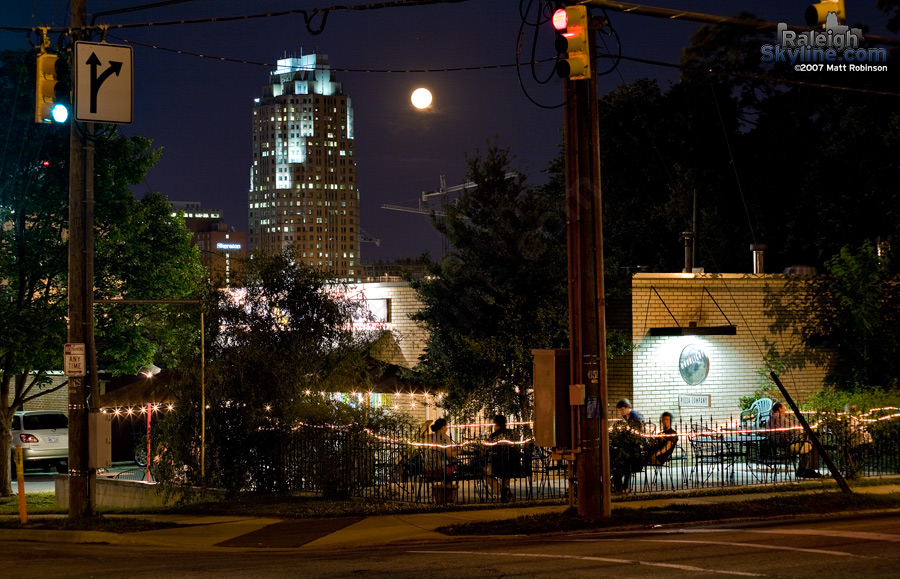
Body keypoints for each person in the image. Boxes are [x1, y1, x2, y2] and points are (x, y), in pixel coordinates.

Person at [766, 402, 821, 478]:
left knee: (806, 445)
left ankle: (802, 469)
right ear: (779, 409)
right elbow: (792, 430)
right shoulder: (780, 418)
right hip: (788, 444)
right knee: (813, 445)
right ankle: (808, 470)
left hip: (777, 444)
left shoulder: (769, 419)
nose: (785, 411)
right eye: (784, 408)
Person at [612, 399, 645, 493]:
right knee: (621, 466)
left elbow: (634, 432)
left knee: (623, 465)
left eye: (622, 409)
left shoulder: (634, 416)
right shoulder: (626, 417)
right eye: (620, 410)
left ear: (627, 407)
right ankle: (620, 486)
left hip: (633, 448)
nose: (621, 412)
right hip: (628, 447)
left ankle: (623, 486)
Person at [484, 414, 519, 503]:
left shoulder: (494, 436)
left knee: (484, 472)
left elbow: (488, 450)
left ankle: (501, 490)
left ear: (495, 424)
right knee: (505, 473)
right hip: (514, 465)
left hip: (498, 466)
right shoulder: (512, 434)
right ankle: (505, 492)